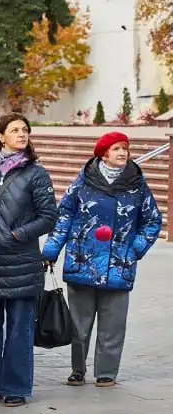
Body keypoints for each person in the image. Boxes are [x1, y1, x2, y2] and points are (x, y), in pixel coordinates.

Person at [43, 131, 161, 388]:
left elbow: (152, 221)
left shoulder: (137, 184)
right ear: (103, 153)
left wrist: (134, 250)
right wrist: (51, 251)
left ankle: (107, 372)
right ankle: (77, 370)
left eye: (125, 149)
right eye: (116, 148)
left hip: (119, 266)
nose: (122, 153)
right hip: (82, 261)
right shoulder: (83, 182)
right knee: (79, 324)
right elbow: (64, 216)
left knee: (113, 324)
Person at [0, 113, 57, 408]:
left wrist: (16, 235)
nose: (22, 134)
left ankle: (15, 387)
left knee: (19, 329)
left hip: (20, 262)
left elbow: (48, 217)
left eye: (25, 130)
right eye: (15, 130)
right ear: (0, 137)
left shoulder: (35, 173)